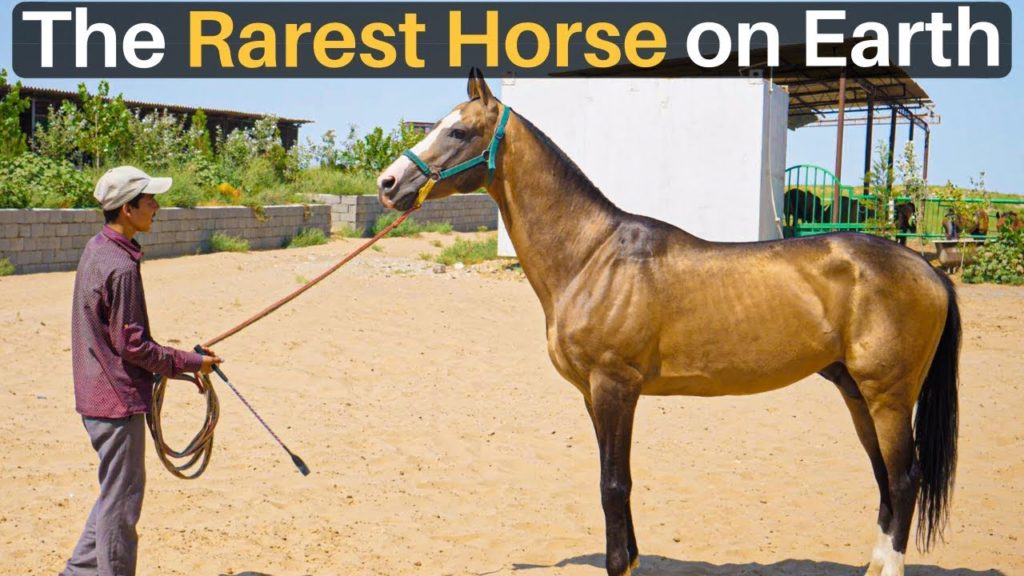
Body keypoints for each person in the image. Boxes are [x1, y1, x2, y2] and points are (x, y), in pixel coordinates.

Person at [62, 165, 223, 576]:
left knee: (114, 494)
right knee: (122, 503)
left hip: (98, 396)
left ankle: (78, 572)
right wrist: (190, 362)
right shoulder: (120, 266)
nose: (157, 206)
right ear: (128, 209)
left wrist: (182, 361)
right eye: (149, 199)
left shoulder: (98, 249)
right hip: (115, 402)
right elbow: (132, 345)